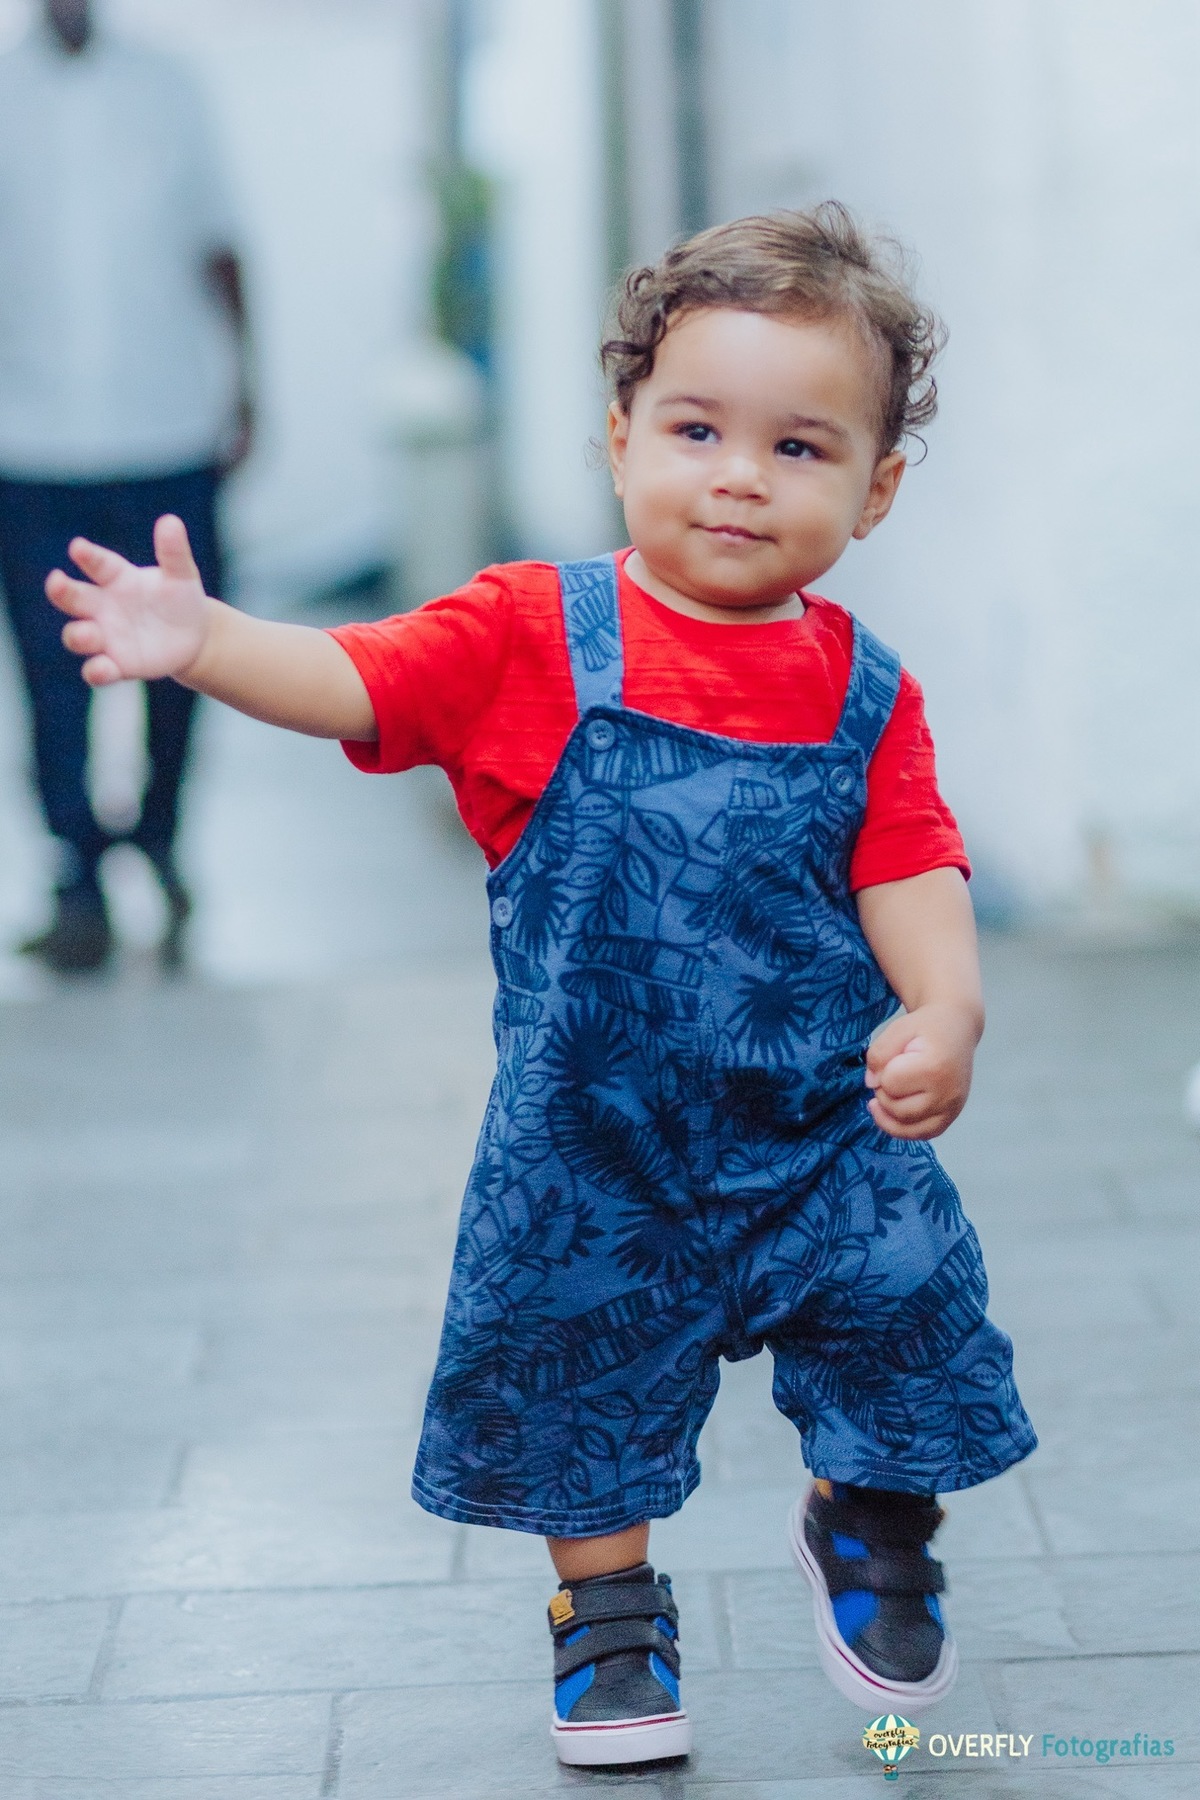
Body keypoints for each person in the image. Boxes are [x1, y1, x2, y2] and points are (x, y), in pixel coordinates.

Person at [47, 205, 1036, 1766]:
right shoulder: (528, 634)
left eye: (799, 448)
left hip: (816, 1122)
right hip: (596, 1138)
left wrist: (949, 1006)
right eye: (697, 428)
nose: (737, 474)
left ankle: (873, 1517)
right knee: (574, 1370)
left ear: (876, 488)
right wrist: (208, 640)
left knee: (907, 1293)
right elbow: (358, 677)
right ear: (618, 435)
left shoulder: (864, 686)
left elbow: (907, 858)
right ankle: (611, 1616)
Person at [0, 0, 252, 972]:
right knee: (49, 676)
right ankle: (75, 876)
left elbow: (222, 242)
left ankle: (161, 836)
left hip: (165, 427)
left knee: (187, 663)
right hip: (29, 440)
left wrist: (246, 386)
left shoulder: (170, 89)